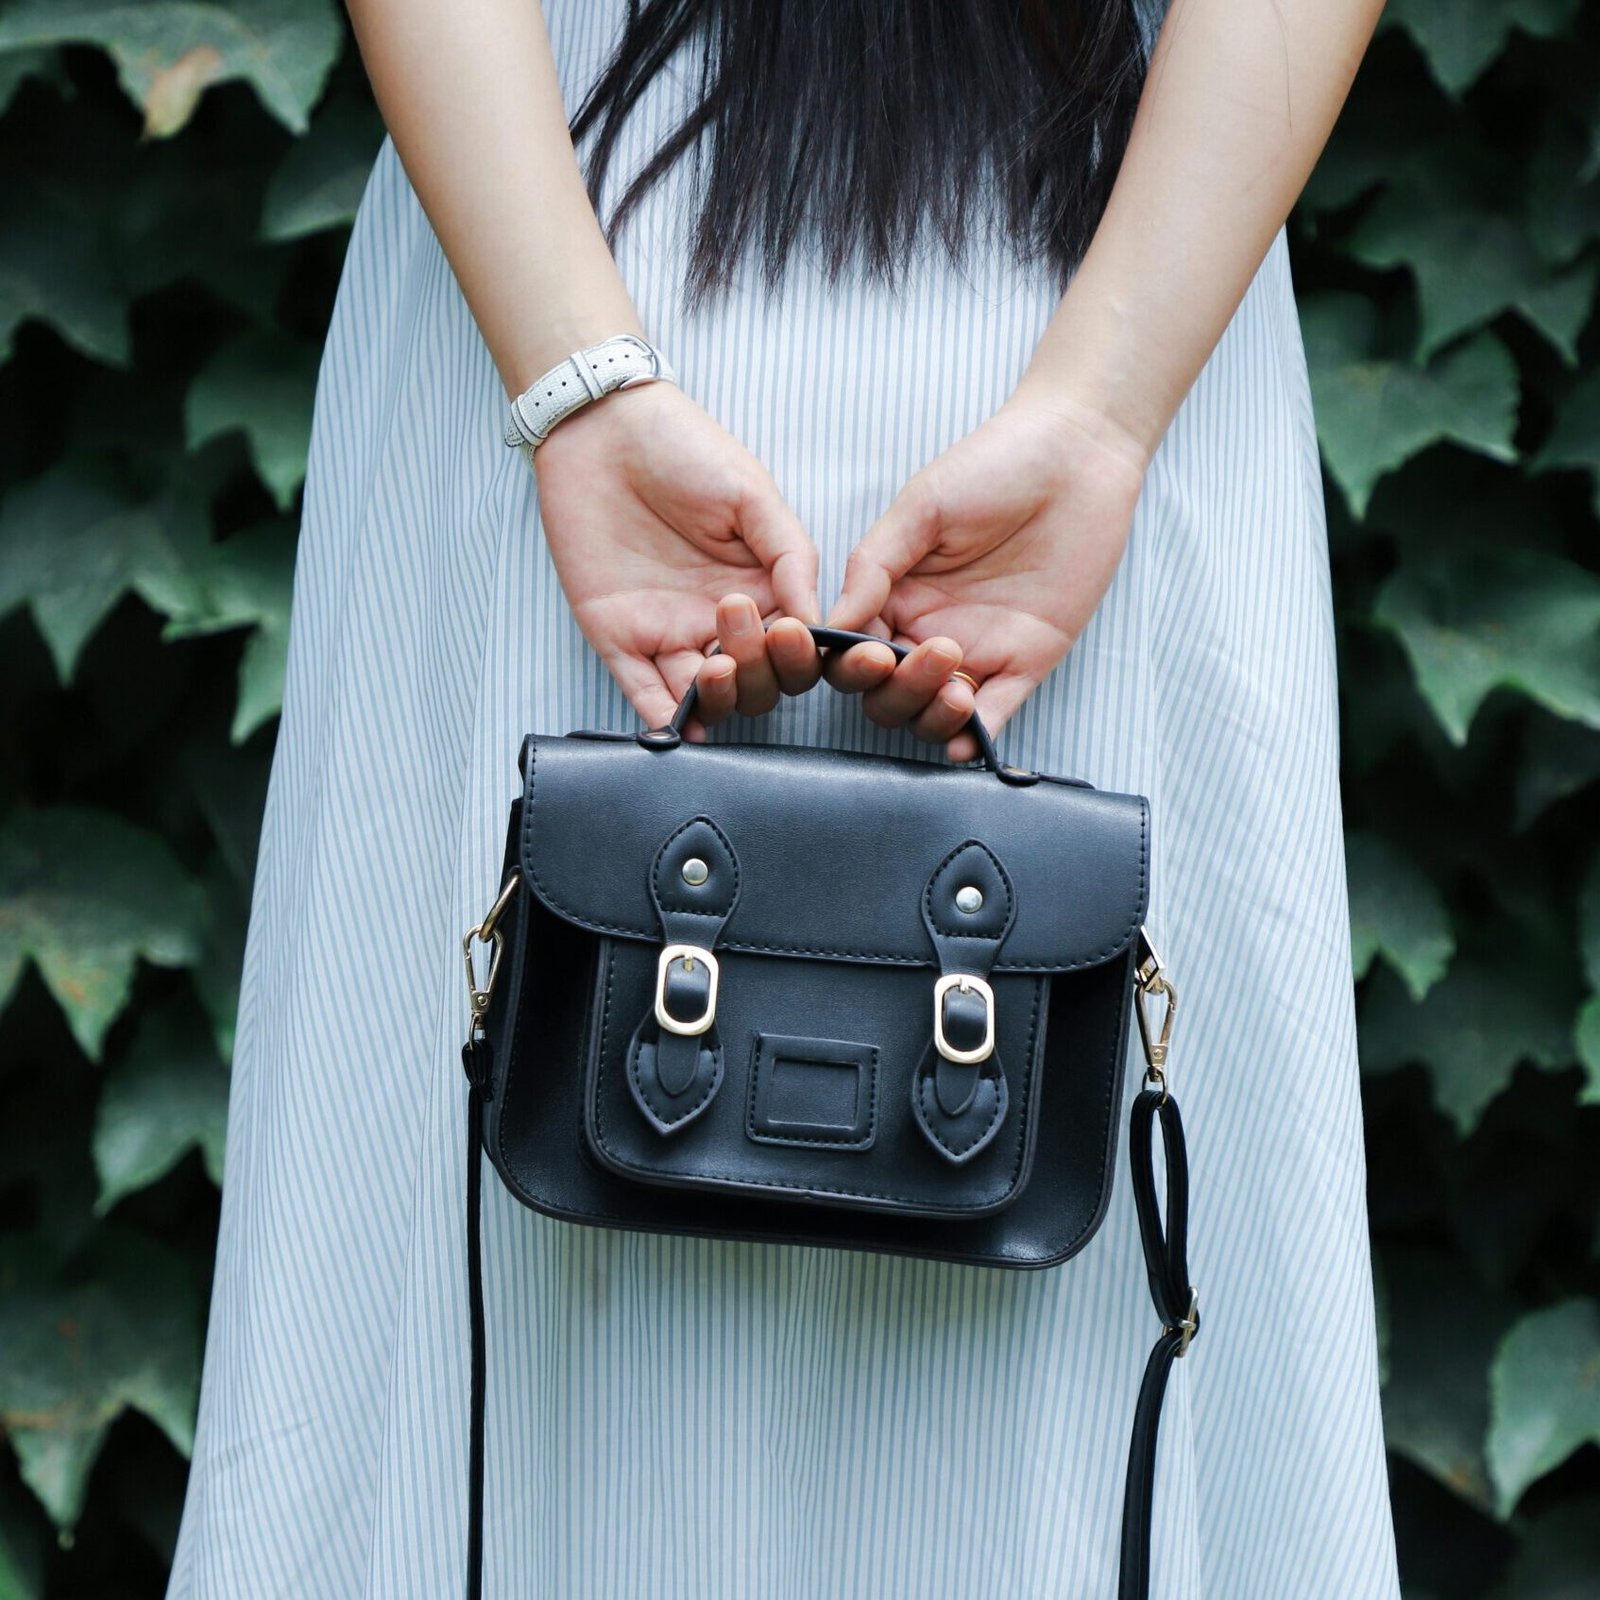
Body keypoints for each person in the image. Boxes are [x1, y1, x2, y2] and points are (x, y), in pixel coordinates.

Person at [164, 0, 1400, 1594]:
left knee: (444, 1378)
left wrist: (581, 387)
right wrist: (1102, 408)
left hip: (556, 251)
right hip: (1108, 270)